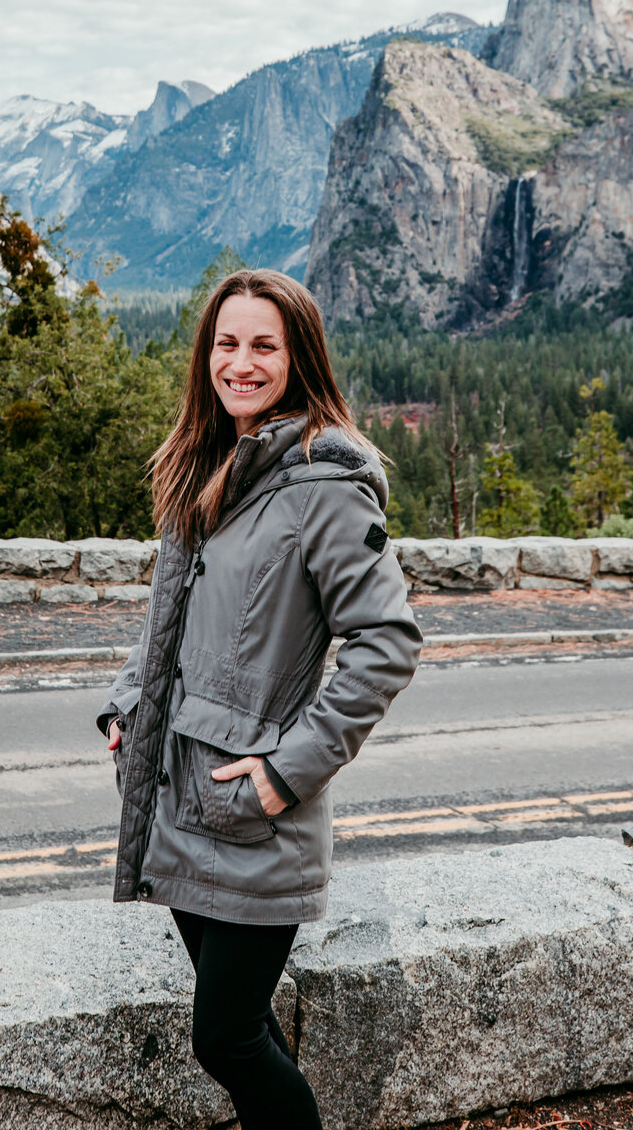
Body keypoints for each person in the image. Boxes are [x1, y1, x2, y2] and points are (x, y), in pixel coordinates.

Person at [96, 268, 423, 1129]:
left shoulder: (325, 484)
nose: (240, 363)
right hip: (180, 793)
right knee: (236, 1036)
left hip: (252, 813)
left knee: (228, 1037)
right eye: (227, 343)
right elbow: (172, 619)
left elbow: (387, 643)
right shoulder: (207, 464)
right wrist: (127, 707)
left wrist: (285, 773)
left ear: (298, 356)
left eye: (264, 346)